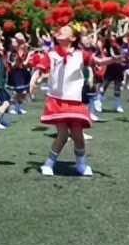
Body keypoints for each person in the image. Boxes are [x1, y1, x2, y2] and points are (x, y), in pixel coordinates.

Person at [34, 25, 105, 177]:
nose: (60, 31)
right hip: (57, 100)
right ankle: (49, 164)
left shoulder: (81, 54)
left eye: (65, 30)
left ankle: (81, 163)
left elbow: (99, 60)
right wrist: (32, 82)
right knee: (63, 136)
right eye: (60, 30)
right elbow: (40, 69)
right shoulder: (51, 54)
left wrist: (114, 59)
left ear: (72, 38)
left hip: (74, 100)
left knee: (78, 135)